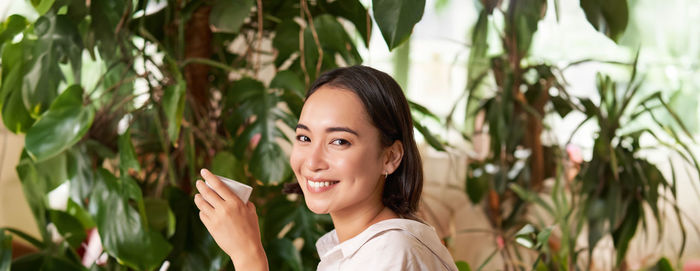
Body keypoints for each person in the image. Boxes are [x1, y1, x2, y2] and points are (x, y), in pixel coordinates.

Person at [193, 65, 458, 270]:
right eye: (304, 138)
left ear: (390, 157)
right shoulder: (357, 246)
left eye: (339, 141)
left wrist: (248, 256)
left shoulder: (390, 252)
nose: (312, 162)